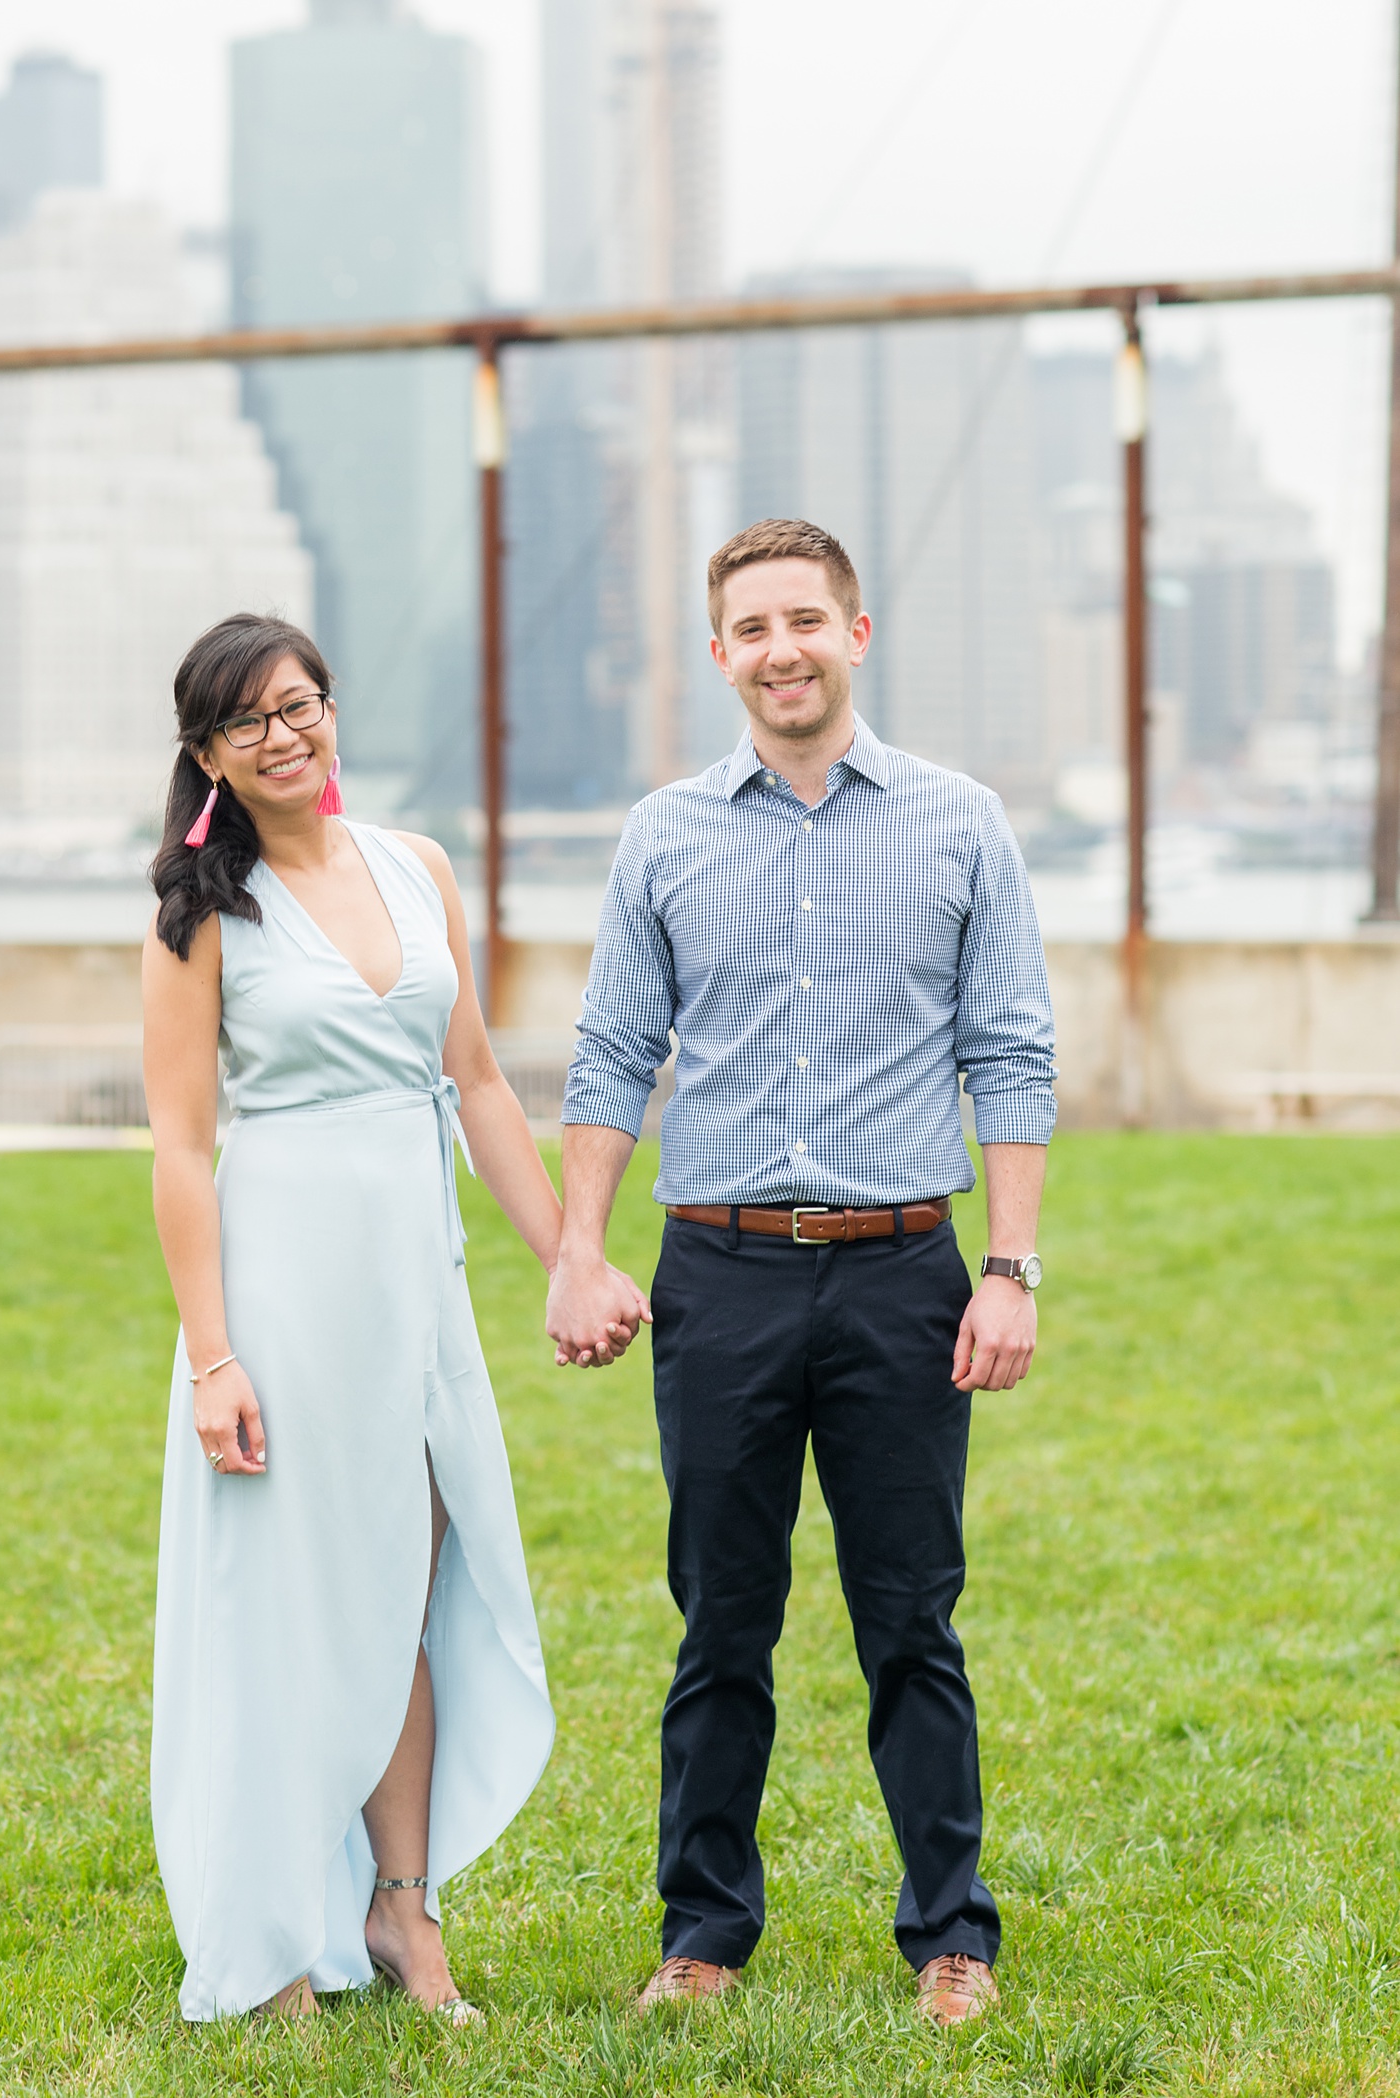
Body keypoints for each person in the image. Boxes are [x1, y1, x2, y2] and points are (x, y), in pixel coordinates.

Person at [548, 518, 1055, 2028]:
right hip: (720, 1274)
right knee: (722, 1619)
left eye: (804, 620)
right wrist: (580, 1247)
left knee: (913, 1614)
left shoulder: (963, 824)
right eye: (751, 627)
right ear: (721, 655)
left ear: (856, 631)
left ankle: (950, 1936)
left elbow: (1011, 1048)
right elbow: (614, 1052)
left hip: (906, 1271)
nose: (781, 648)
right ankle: (702, 1935)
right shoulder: (665, 835)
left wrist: (1010, 1267)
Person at [142, 611, 560, 2024]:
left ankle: (404, 1912)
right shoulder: (201, 910)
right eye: (247, 718)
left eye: (300, 701)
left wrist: (570, 1254)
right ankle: (267, 1939)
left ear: (331, 708)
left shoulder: (416, 864)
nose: (284, 731)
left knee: (409, 1578)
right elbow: (178, 1146)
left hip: (415, 1280)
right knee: (284, 1600)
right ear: (206, 753)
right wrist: (214, 1356)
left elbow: (482, 1085)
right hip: (281, 1284)